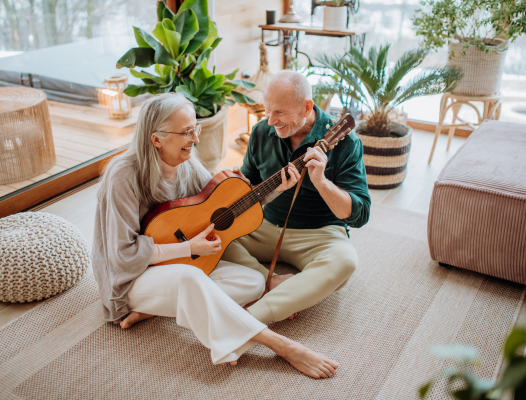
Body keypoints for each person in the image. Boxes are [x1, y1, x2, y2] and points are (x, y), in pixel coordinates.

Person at [91, 93, 339, 378]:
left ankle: (157, 309)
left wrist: (277, 188)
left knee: (253, 281)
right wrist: (190, 249)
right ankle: (280, 345)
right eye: (186, 132)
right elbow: (121, 255)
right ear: (156, 139)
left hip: (174, 268)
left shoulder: (186, 161)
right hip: (130, 279)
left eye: (195, 128)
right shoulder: (122, 175)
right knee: (191, 278)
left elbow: (225, 204)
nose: (195, 139)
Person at [223, 70, 371, 323]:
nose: (271, 120)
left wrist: (321, 182)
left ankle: (247, 320)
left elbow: (360, 215)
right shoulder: (260, 132)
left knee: (345, 262)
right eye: (268, 110)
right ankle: (272, 280)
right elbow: (250, 188)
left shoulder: (347, 143)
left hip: (319, 233)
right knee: (213, 236)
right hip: (265, 226)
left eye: (280, 112)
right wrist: (237, 184)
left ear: (306, 107)